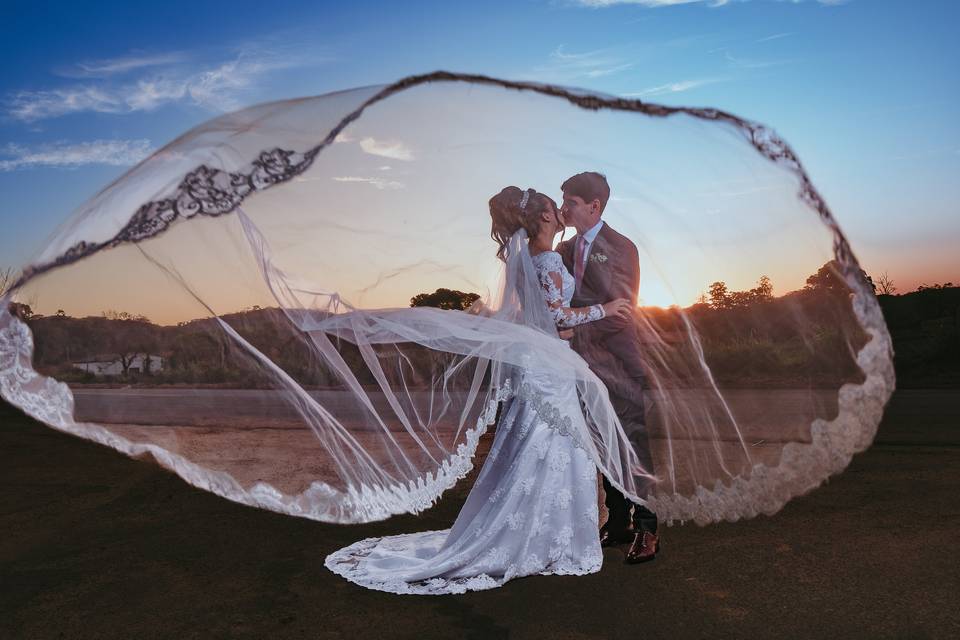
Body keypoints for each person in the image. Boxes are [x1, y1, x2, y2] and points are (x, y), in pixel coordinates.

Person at [324, 186, 633, 594]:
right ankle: (549, 540)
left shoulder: (527, 263)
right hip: (549, 367)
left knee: (534, 442)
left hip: (539, 364)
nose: (560, 211)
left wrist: (570, 326)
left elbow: (543, 317)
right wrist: (605, 310)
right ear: (543, 218)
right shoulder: (549, 261)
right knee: (554, 444)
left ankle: (535, 532)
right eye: (553, 207)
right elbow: (557, 315)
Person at [556, 171, 660, 563]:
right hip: (580, 368)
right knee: (603, 445)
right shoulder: (562, 251)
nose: (564, 208)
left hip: (618, 363)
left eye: (570, 202)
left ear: (594, 206)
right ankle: (618, 523)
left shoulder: (622, 247)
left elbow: (620, 313)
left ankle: (648, 529)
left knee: (633, 445)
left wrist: (568, 333)